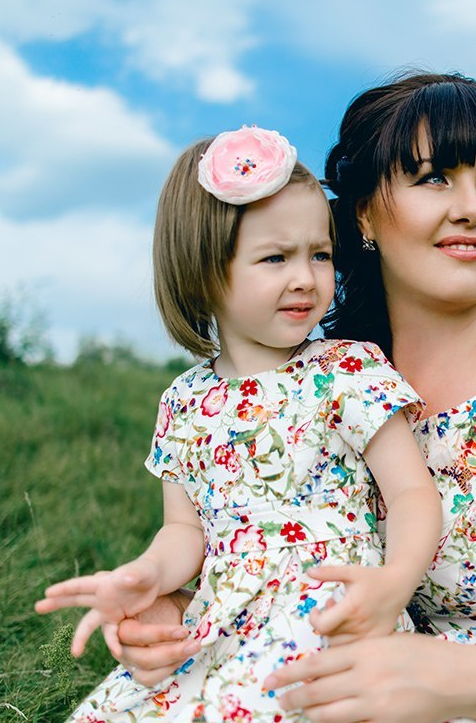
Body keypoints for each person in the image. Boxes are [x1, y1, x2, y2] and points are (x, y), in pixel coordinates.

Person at [114, 73, 476, 722]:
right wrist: (172, 613)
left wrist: (455, 679)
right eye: (434, 177)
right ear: (364, 213)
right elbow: (256, 556)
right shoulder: (316, 382)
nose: (472, 207)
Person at [35, 125, 443, 722]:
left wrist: (396, 580)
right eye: (275, 257)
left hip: (329, 612)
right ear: (204, 271)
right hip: (222, 620)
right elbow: (184, 532)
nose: (305, 277)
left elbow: (411, 493)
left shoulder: (345, 369)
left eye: (319, 254)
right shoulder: (184, 401)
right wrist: (146, 575)